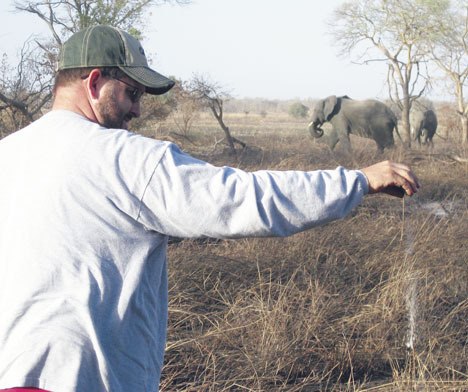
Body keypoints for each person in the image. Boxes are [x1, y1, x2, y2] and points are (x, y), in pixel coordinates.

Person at [0, 25, 419, 392]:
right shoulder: (123, 158)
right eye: (132, 93)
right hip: (80, 379)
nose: (137, 110)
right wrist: (358, 181)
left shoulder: (9, 154)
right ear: (94, 82)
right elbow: (242, 197)